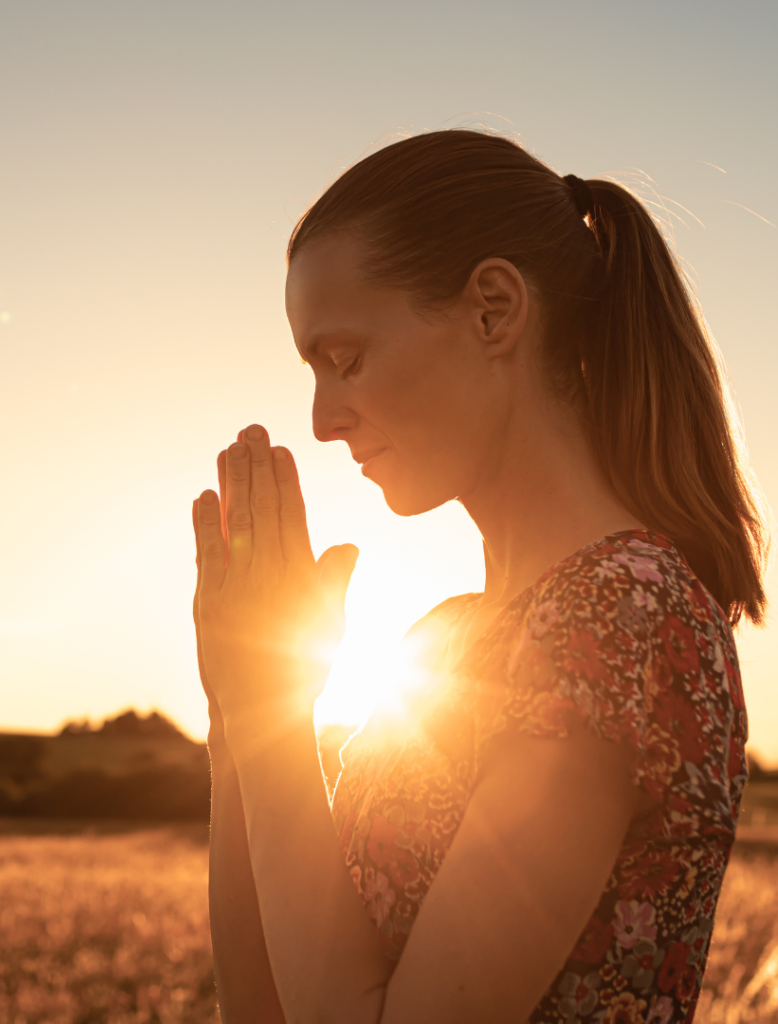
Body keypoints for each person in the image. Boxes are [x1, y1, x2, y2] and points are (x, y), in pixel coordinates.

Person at [190, 130, 767, 1024]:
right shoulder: (449, 639)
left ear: (494, 310)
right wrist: (244, 711)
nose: (323, 419)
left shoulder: (624, 612)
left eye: (345, 359)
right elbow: (265, 1009)